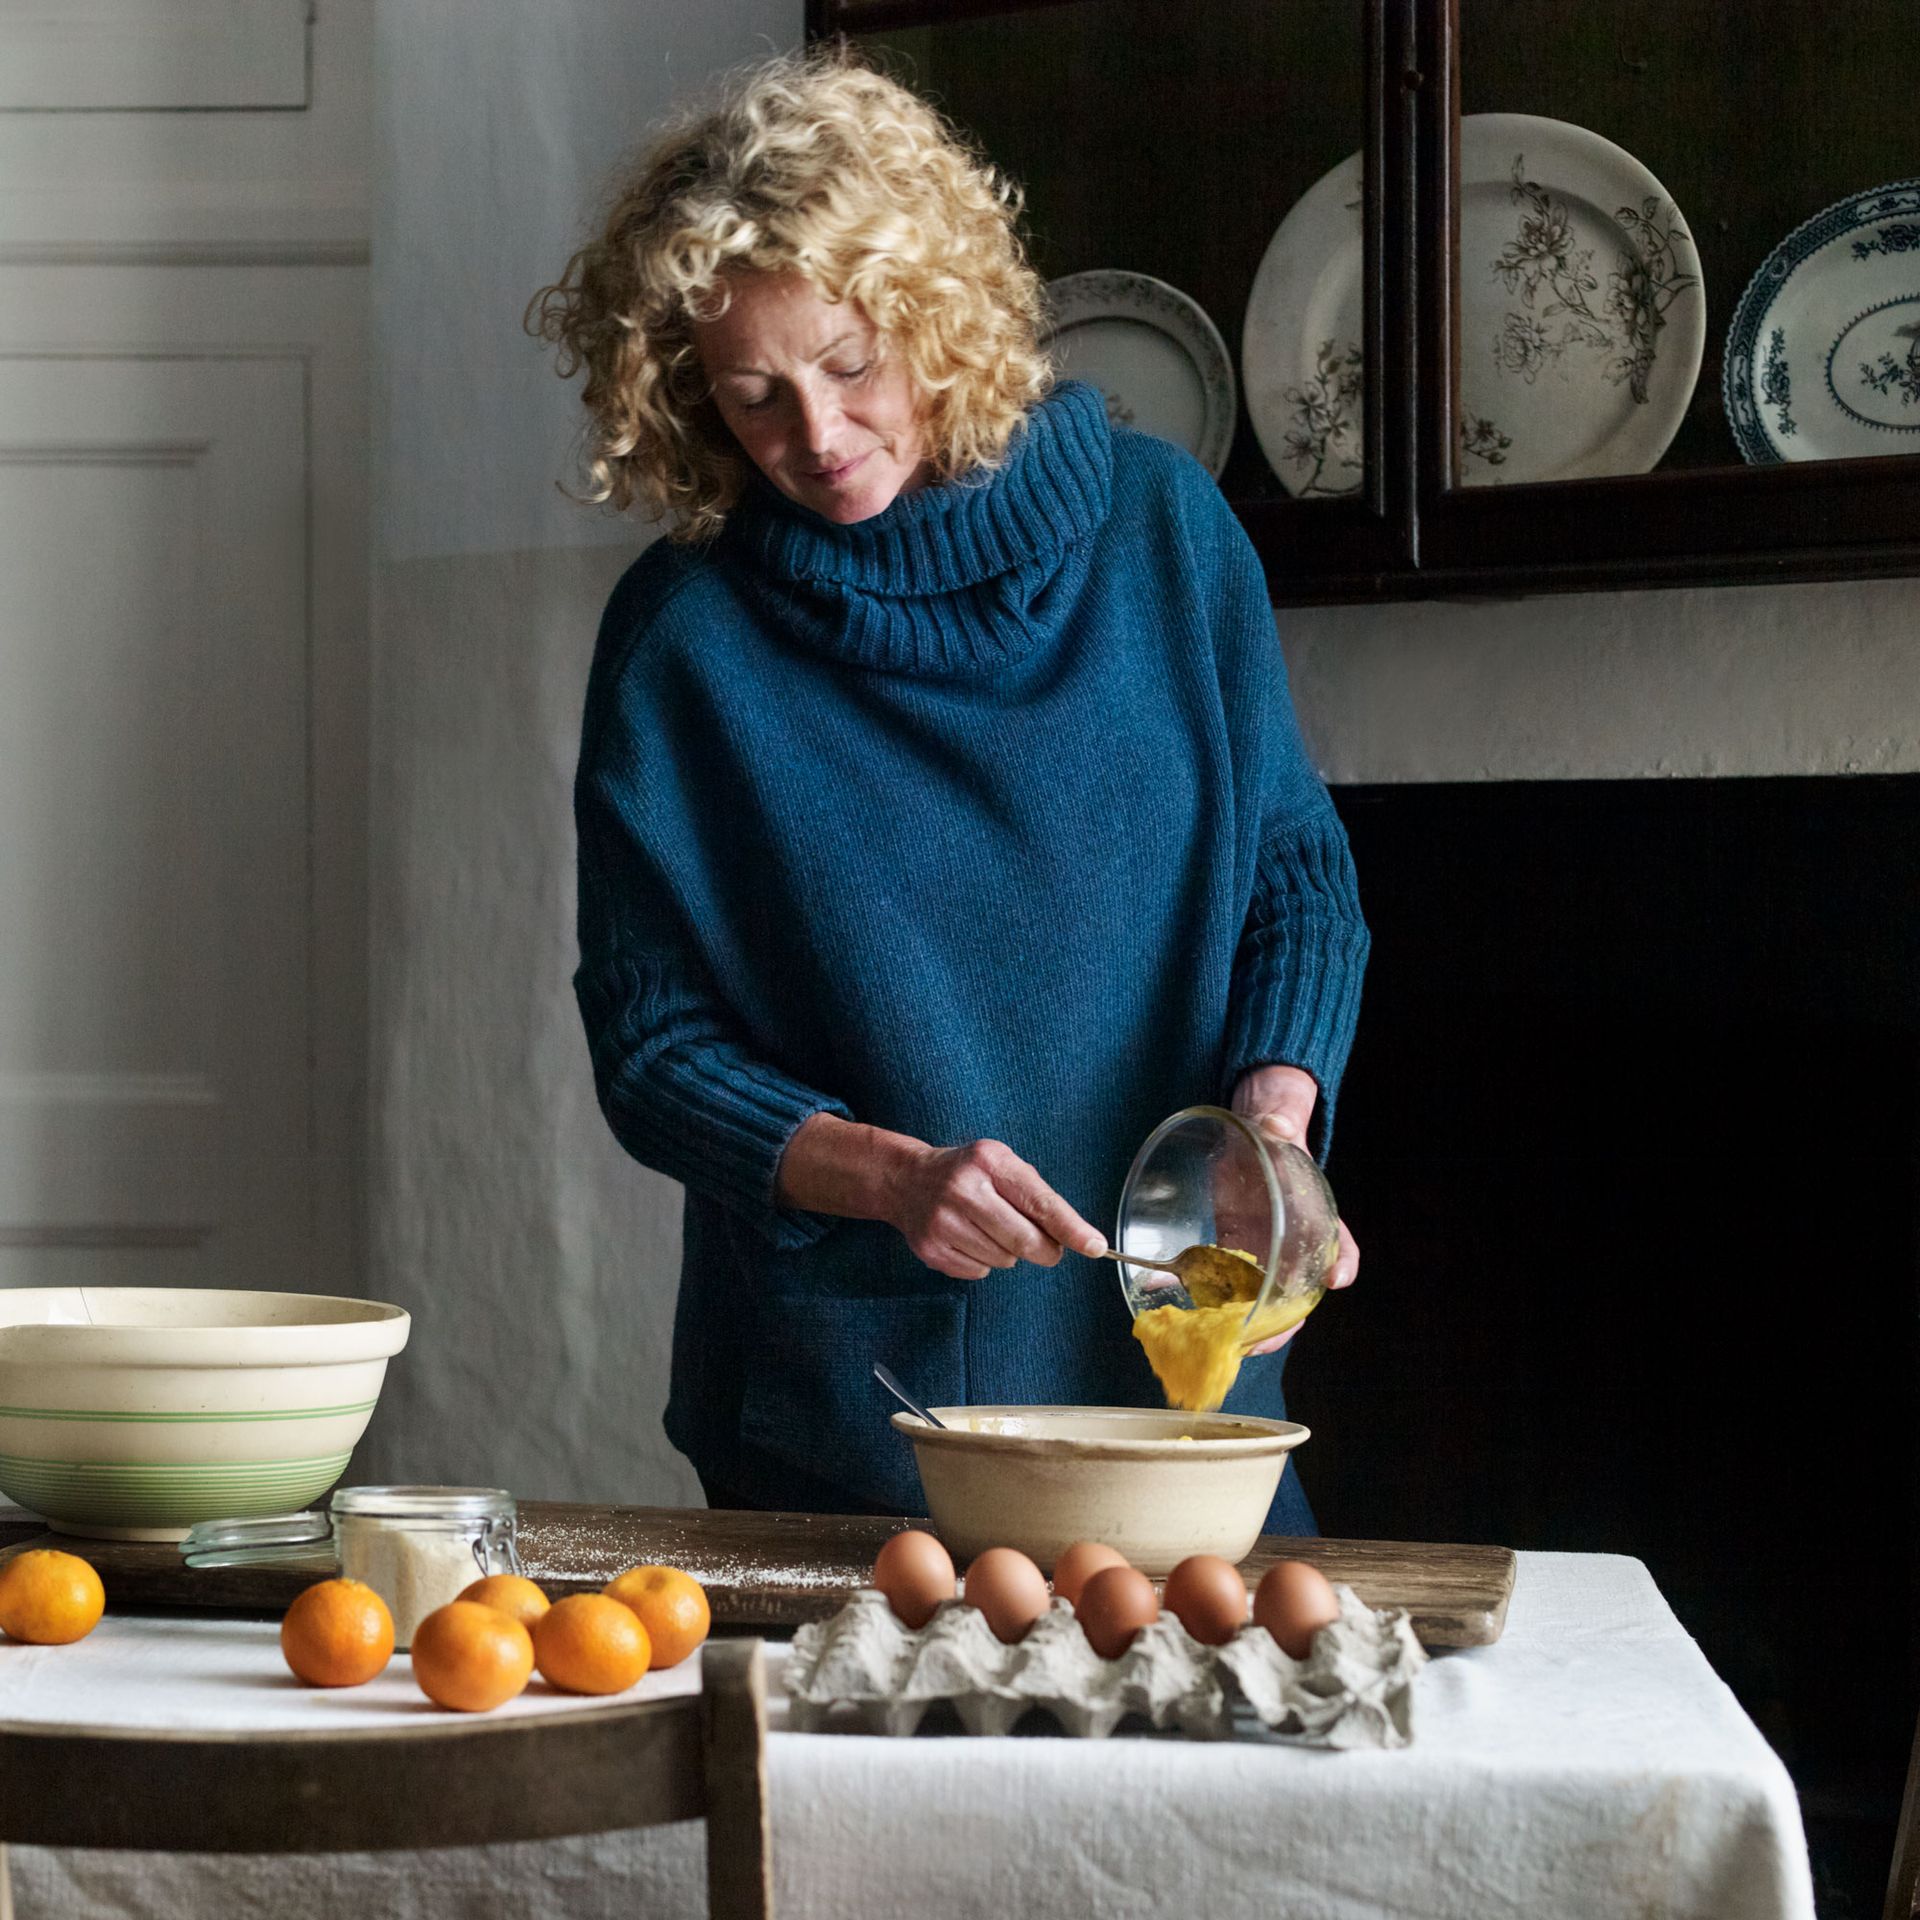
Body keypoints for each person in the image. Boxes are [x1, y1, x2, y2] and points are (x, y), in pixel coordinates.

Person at [529, 46, 1368, 1531]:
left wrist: (1275, 1134)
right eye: (752, 397)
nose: (817, 437)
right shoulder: (685, 645)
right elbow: (651, 1041)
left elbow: (1294, 876)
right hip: (851, 1408)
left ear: (934, 316)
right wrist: (889, 1177)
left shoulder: (1162, 537)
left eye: (849, 365)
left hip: (1177, 1365)